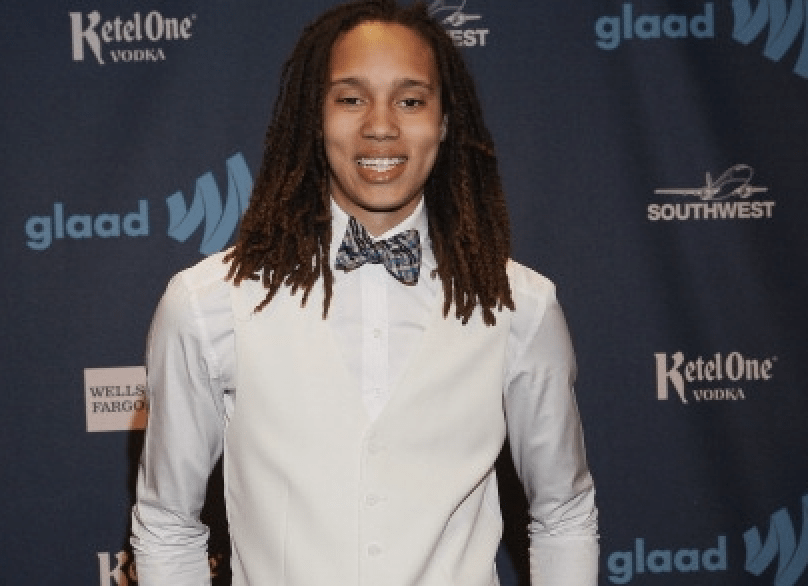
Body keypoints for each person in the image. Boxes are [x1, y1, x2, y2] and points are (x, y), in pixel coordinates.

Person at [130, 1, 598, 585]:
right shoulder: (208, 303)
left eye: (411, 100)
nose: (381, 125)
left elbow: (565, 513)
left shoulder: (520, 307)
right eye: (351, 98)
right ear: (314, 118)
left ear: (446, 122)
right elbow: (167, 522)